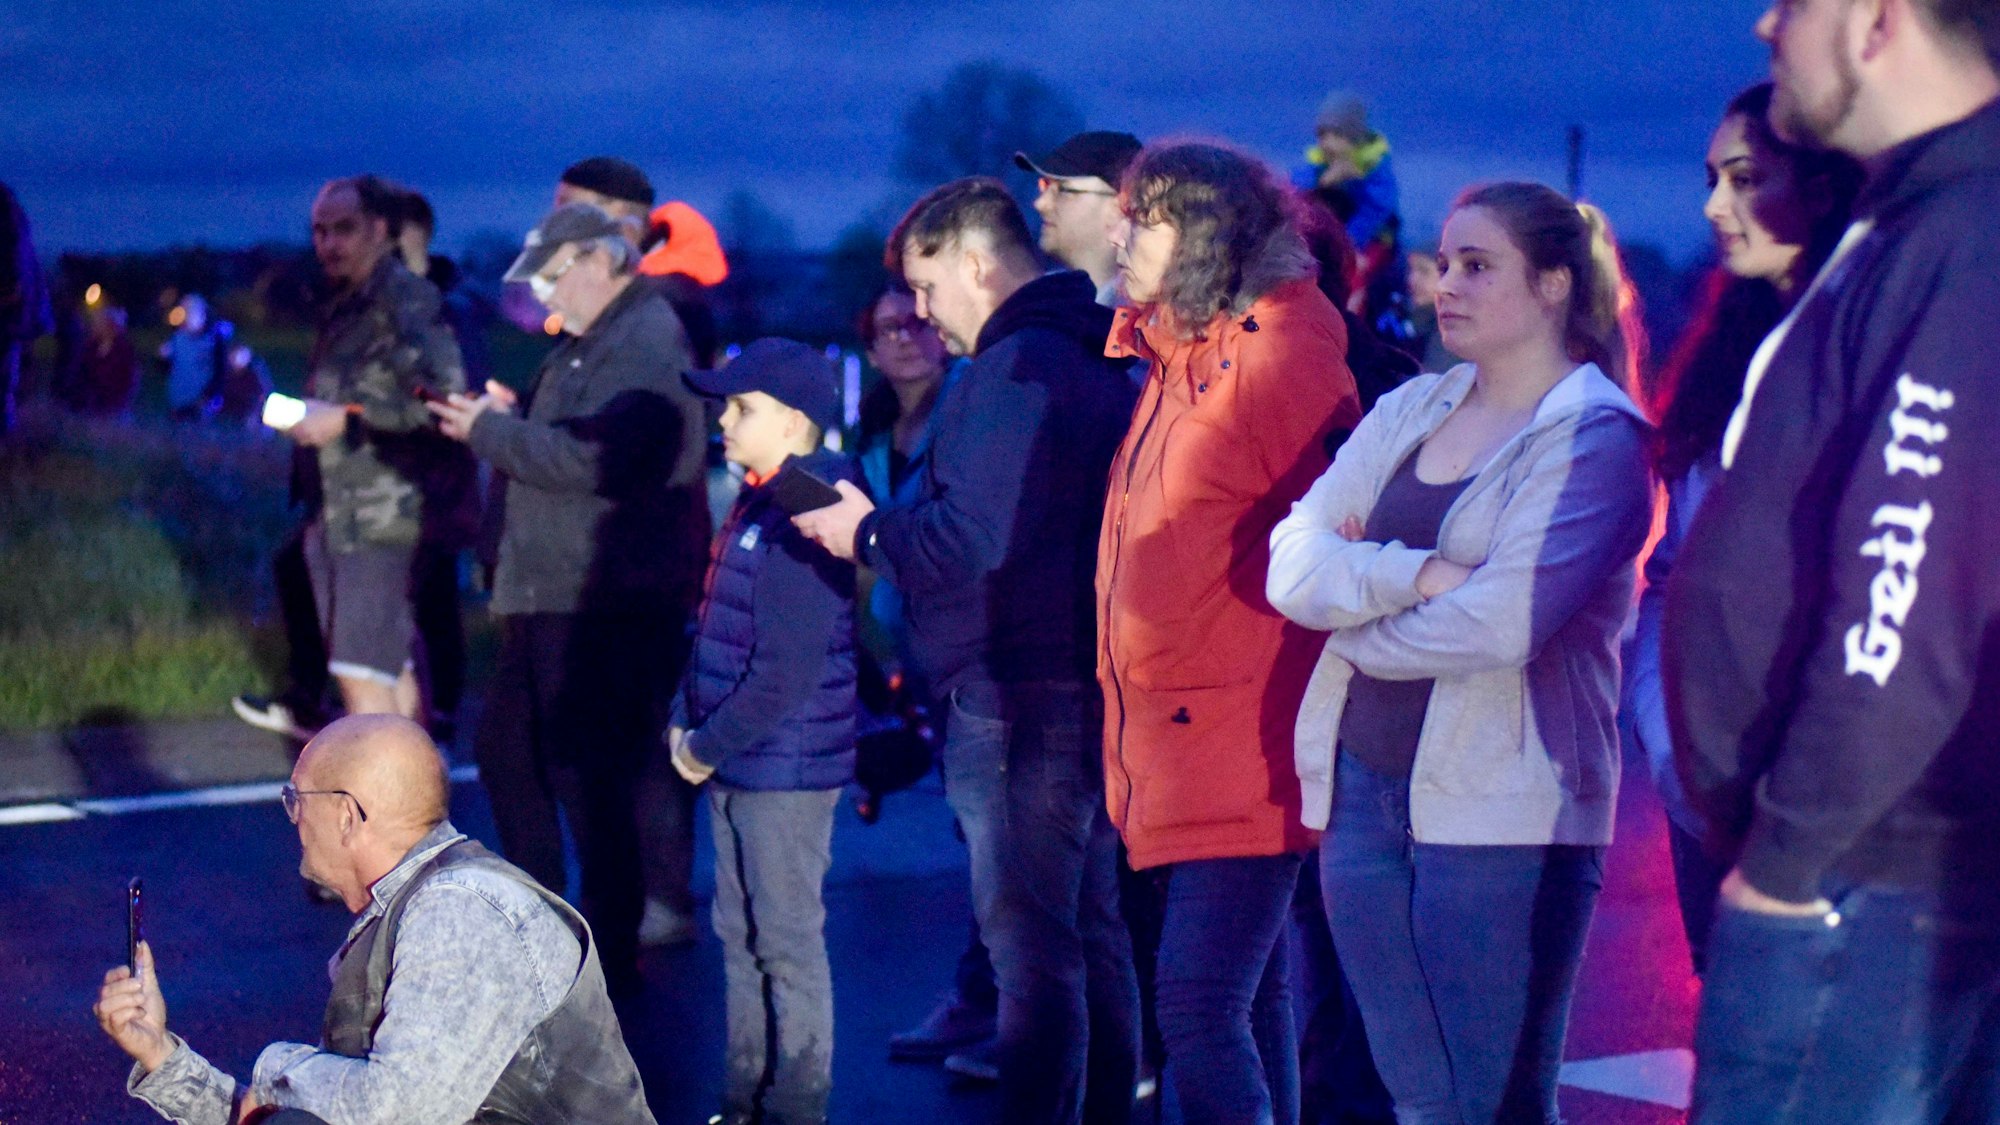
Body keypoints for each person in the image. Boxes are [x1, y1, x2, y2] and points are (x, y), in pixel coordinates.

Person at [1663, 0, 2000, 1118]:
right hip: (1852, 879)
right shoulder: (1912, 224)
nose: (1767, 25)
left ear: (1875, 21)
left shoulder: (1965, 235)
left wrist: (1788, 860)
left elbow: (1911, 576)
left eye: (1796, 2)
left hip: (1860, 885)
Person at [1267, 181, 1652, 1124]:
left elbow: (1501, 625)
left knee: (1496, 1104)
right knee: (1420, 1099)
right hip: (1362, 793)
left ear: (1554, 283)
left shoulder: (1597, 439)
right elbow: (1292, 562)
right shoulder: (1413, 406)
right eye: (1444, 262)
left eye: (1478, 265)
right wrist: (1418, 573)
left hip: (1506, 810)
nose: (1446, 284)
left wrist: (1353, 619)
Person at [795, 177, 1140, 1125]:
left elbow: (967, 540)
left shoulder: (1011, 367)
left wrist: (865, 531)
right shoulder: (1090, 352)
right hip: (1081, 679)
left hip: (1016, 692)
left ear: (978, 264)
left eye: (926, 285)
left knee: (1032, 951)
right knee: (1090, 931)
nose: (922, 312)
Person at [1096, 141, 1360, 1125]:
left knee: (1197, 1004)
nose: (1120, 236)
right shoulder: (1180, 355)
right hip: (1186, 730)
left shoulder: (1279, 351)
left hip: (1246, 727)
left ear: (1208, 235)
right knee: (1246, 997)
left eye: (1146, 219)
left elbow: (1337, 541)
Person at [91, 714, 657, 1125]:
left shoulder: (464, 912)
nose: (293, 818)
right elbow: (315, 1112)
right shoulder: (412, 911)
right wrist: (160, 1055)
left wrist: (279, 1068)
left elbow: (397, 1113)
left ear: (345, 815)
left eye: (296, 799)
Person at [429, 202, 706, 992]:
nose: (546, 297)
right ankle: (552, 932)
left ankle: (601, 955)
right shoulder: (602, 338)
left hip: (595, 596)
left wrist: (488, 431)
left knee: (587, 777)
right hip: (555, 589)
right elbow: (577, 439)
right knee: (512, 754)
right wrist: (511, 418)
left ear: (599, 259)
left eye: (553, 277)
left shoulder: (643, 341)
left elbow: (593, 458)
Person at [1623, 81, 1861, 975]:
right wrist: (1671, 748)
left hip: (1844, 816)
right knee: (1727, 1033)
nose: (1714, 205)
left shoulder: (1888, 351)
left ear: (1823, 188)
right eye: (1712, 179)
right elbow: (1668, 583)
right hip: (1708, 798)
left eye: (1745, 178)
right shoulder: (1724, 363)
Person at [670, 337, 859, 1125]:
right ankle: (745, 1099)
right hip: (743, 760)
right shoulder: (761, 496)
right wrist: (687, 719)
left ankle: (795, 1106)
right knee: (743, 936)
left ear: (791, 420)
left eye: (740, 407)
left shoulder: (808, 508)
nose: (723, 420)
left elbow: (785, 671)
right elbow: (719, 628)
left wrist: (702, 743)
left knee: (783, 942)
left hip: (781, 767)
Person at [550, 157, 712, 946]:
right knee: (629, 726)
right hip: (631, 546)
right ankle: (645, 893)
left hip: (645, 546)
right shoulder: (639, 299)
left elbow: (639, 434)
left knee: (643, 726)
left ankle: (658, 895)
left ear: (619, 219)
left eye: (570, 210)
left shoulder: (661, 303)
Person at [274, 175, 466, 721]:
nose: (328, 243)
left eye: (344, 229)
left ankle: (385, 776)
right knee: (389, 670)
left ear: (380, 230)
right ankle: (417, 773)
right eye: (319, 231)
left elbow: (446, 399)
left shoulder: (407, 300)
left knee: (361, 677)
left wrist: (348, 418)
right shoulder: (347, 303)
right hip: (339, 511)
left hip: (384, 517)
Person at [1016, 131, 1144, 305]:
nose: (1040, 203)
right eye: (1044, 185)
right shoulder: (1032, 301)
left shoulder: (1155, 317)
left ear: (1118, 209)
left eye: (1062, 190)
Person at [0, 181, 51, 436]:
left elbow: (14, 265)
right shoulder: (11, 213)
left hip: (9, 311)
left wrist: (10, 291)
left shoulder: (7, 216)